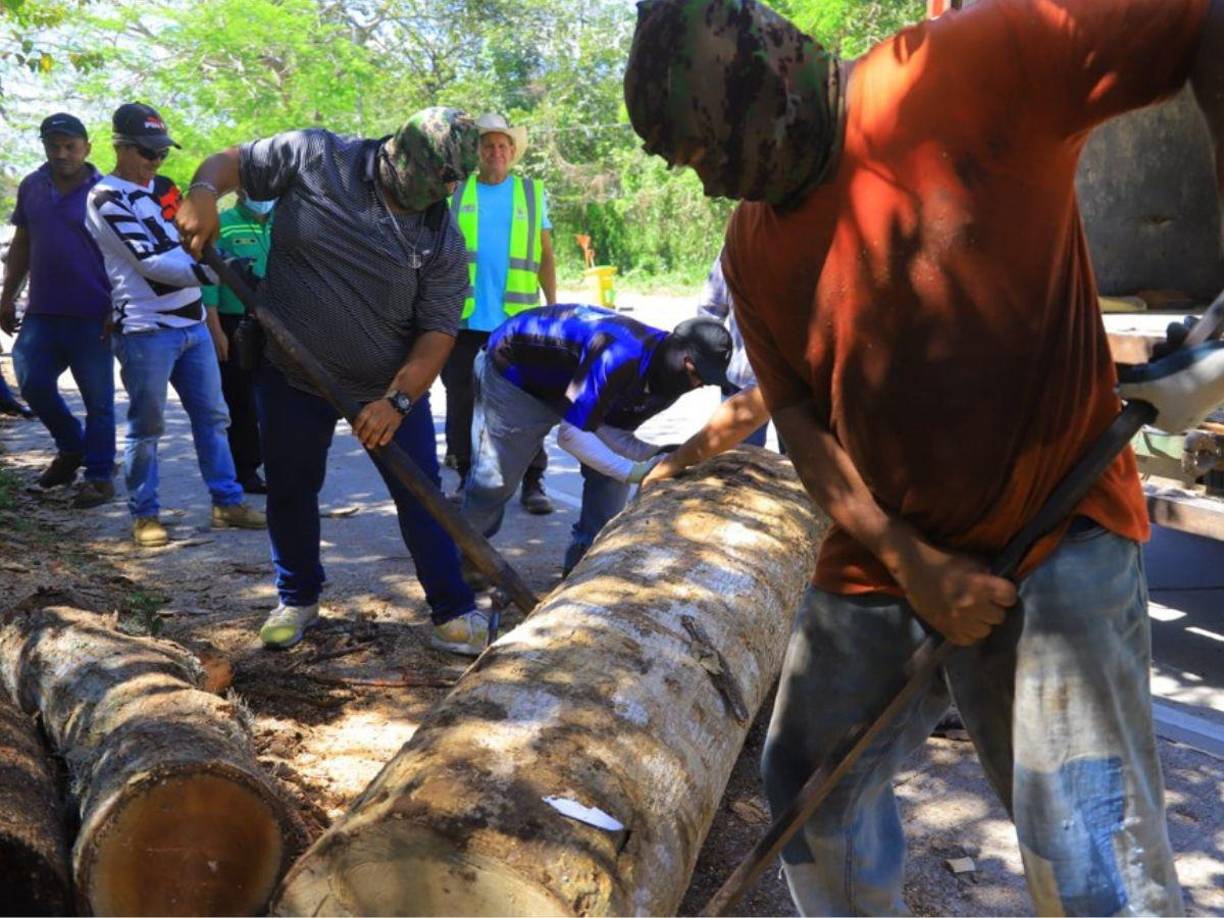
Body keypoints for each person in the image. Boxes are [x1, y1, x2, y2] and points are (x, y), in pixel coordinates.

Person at [625, 0, 1224, 913]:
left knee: (1085, 850)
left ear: (768, 82)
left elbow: (1199, 22)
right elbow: (799, 425)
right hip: (882, 551)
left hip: (1056, 533)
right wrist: (909, 558)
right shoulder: (753, 245)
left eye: (708, 153)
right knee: (807, 785)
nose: (710, 187)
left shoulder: (973, 63)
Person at [175, 107, 491, 656]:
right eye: (435, 179)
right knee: (291, 489)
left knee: (421, 497)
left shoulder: (442, 241)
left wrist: (397, 399)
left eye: (450, 184)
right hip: (291, 374)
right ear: (401, 154)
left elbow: (437, 333)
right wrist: (203, 190)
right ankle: (297, 597)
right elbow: (232, 163)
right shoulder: (318, 156)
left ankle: (452, 611)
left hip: (386, 389)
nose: (442, 193)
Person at [86, 102, 265, 548]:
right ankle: (144, 514)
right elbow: (150, 262)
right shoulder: (104, 198)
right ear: (120, 147)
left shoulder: (163, 190)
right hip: (146, 331)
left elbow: (195, 244)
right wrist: (217, 273)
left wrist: (216, 267)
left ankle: (227, 501)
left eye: (161, 153)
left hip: (192, 326)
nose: (156, 162)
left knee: (213, 418)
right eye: (147, 153)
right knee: (147, 427)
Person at [461, 303, 733, 576]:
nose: (698, 385)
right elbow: (571, 436)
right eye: (696, 373)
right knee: (494, 481)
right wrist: (634, 471)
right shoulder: (619, 355)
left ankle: (585, 567)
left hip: (573, 379)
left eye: (705, 380)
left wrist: (660, 456)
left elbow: (614, 436)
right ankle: (465, 560)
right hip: (518, 372)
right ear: (680, 355)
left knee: (611, 476)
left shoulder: (671, 381)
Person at [442, 113, 557, 514]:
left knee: (526, 400)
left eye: (503, 146)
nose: (496, 153)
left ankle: (532, 481)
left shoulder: (531, 192)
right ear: (477, 152)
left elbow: (544, 254)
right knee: (461, 401)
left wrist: (551, 305)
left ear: (513, 153)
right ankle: (464, 477)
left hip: (517, 319)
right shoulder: (456, 192)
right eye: (488, 145)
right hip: (463, 317)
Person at [1, 113, 116, 505]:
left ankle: (99, 476)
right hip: (43, 311)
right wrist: (7, 295)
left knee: (99, 401)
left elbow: (125, 255)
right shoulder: (33, 185)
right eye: (54, 146)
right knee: (31, 381)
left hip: (94, 313)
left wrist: (119, 306)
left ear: (87, 148)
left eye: (70, 146)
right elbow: (21, 244)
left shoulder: (106, 192)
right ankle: (71, 446)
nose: (62, 153)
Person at [200, 190, 274, 494]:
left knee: (273, 399)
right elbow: (208, 280)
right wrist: (215, 329)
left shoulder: (281, 224)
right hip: (235, 322)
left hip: (275, 322)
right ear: (242, 190)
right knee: (240, 399)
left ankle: (274, 463)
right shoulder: (223, 223)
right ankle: (244, 469)